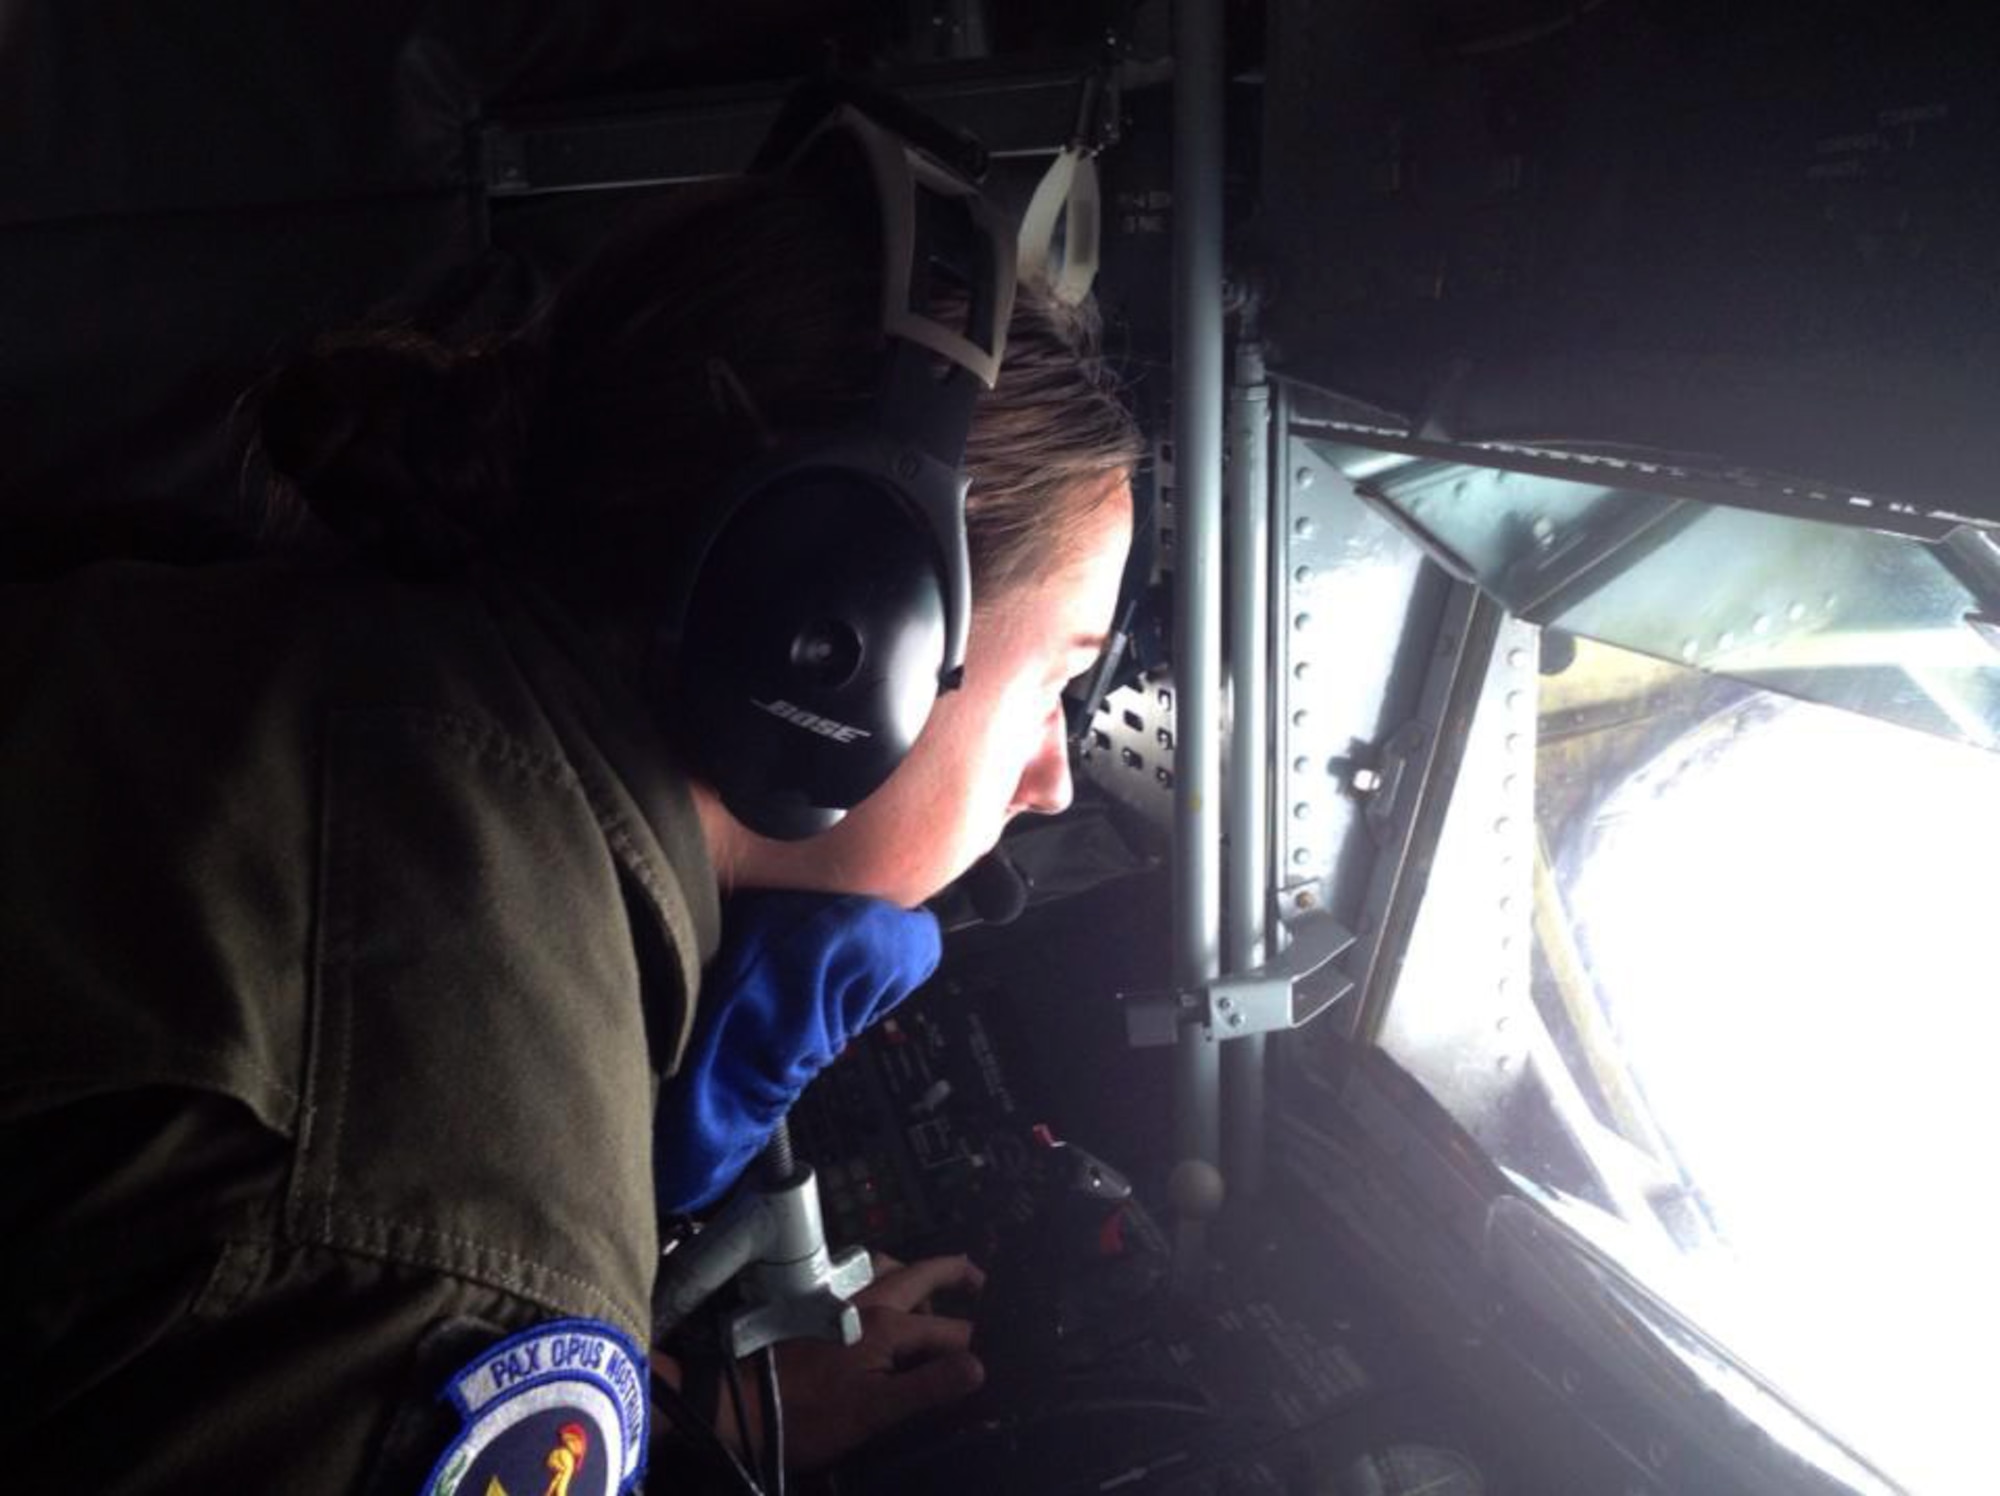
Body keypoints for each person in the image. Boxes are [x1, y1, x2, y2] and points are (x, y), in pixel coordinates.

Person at [0, 107, 1142, 1495]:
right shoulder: (445, 1248)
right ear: (838, 637)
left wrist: (690, 1413)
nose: (1055, 777)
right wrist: (537, 1277)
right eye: (1052, 687)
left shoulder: (353, 648)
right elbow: (387, 1224)